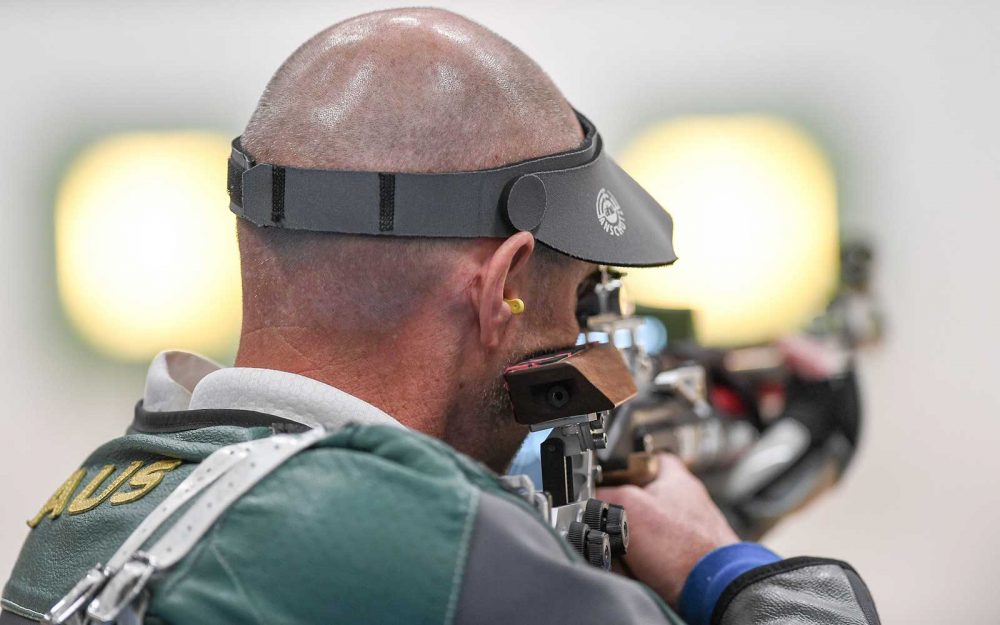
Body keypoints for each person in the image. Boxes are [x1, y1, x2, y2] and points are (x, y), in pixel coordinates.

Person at [2, 8, 880, 625]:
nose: (580, 347)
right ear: (504, 286)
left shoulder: (98, 499)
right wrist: (722, 563)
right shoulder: (441, 540)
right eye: (579, 306)